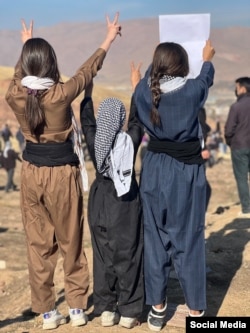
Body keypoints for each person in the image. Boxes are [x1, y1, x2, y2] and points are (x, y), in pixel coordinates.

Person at [5, 14, 121, 330]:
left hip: (31, 173)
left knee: (38, 246)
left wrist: (26, 45)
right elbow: (87, 70)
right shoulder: (60, 94)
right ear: (52, 64)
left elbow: (19, 76)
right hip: (61, 174)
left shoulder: (14, 95)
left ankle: (46, 313)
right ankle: (77, 308)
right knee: (71, 240)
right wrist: (109, 37)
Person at [132, 40, 215, 331]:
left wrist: (139, 81)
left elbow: (145, 92)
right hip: (185, 171)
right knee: (189, 239)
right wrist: (207, 59)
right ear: (181, 64)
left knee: (154, 238)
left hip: (153, 168)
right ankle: (195, 311)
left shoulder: (142, 90)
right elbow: (205, 81)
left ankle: (157, 308)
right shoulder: (191, 90)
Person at [79, 62, 144, 329]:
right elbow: (138, 120)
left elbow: (87, 121)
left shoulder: (95, 142)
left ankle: (106, 309)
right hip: (125, 201)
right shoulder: (129, 142)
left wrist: (88, 92)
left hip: (100, 201)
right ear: (119, 121)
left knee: (103, 255)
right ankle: (129, 311)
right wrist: (136, 86)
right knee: (128, 253)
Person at [224, 77, 250, 217]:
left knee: (241, 178)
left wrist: (230, 142)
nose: (236, 90)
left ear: (243, 88)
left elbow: (229, 129)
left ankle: (246, 209)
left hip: (239, 146)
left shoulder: (236, 106)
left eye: (237, 87)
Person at [199, 107, 212, 211]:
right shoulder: (197, 107)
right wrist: (203, 148)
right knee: (203, 189)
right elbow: (201, 129)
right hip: (196, 152)